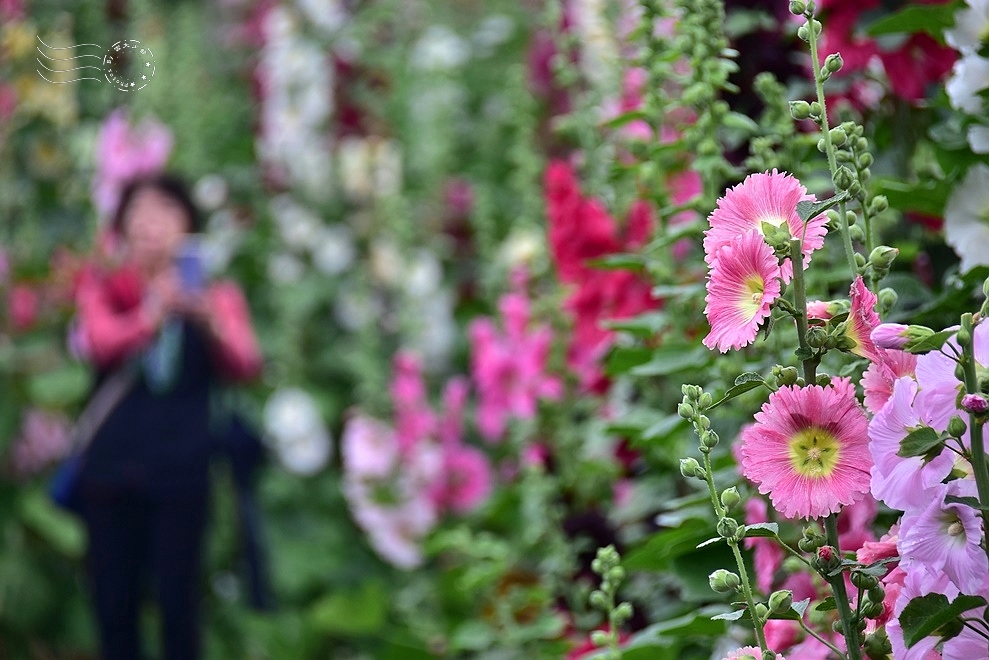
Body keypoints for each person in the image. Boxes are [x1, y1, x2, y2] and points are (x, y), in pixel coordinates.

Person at [72, 173, 263, 660]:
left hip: (181, 476)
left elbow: (247, 364)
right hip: (109, 474)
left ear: (188, 225)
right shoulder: (108, 287)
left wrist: (209, 320)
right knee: (114, 605)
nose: (149, 223)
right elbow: (98, 341)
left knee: (180, 606)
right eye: (137, 211)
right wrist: (151, 314)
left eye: (163, 211)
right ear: (121, 225)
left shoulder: (214, 295)